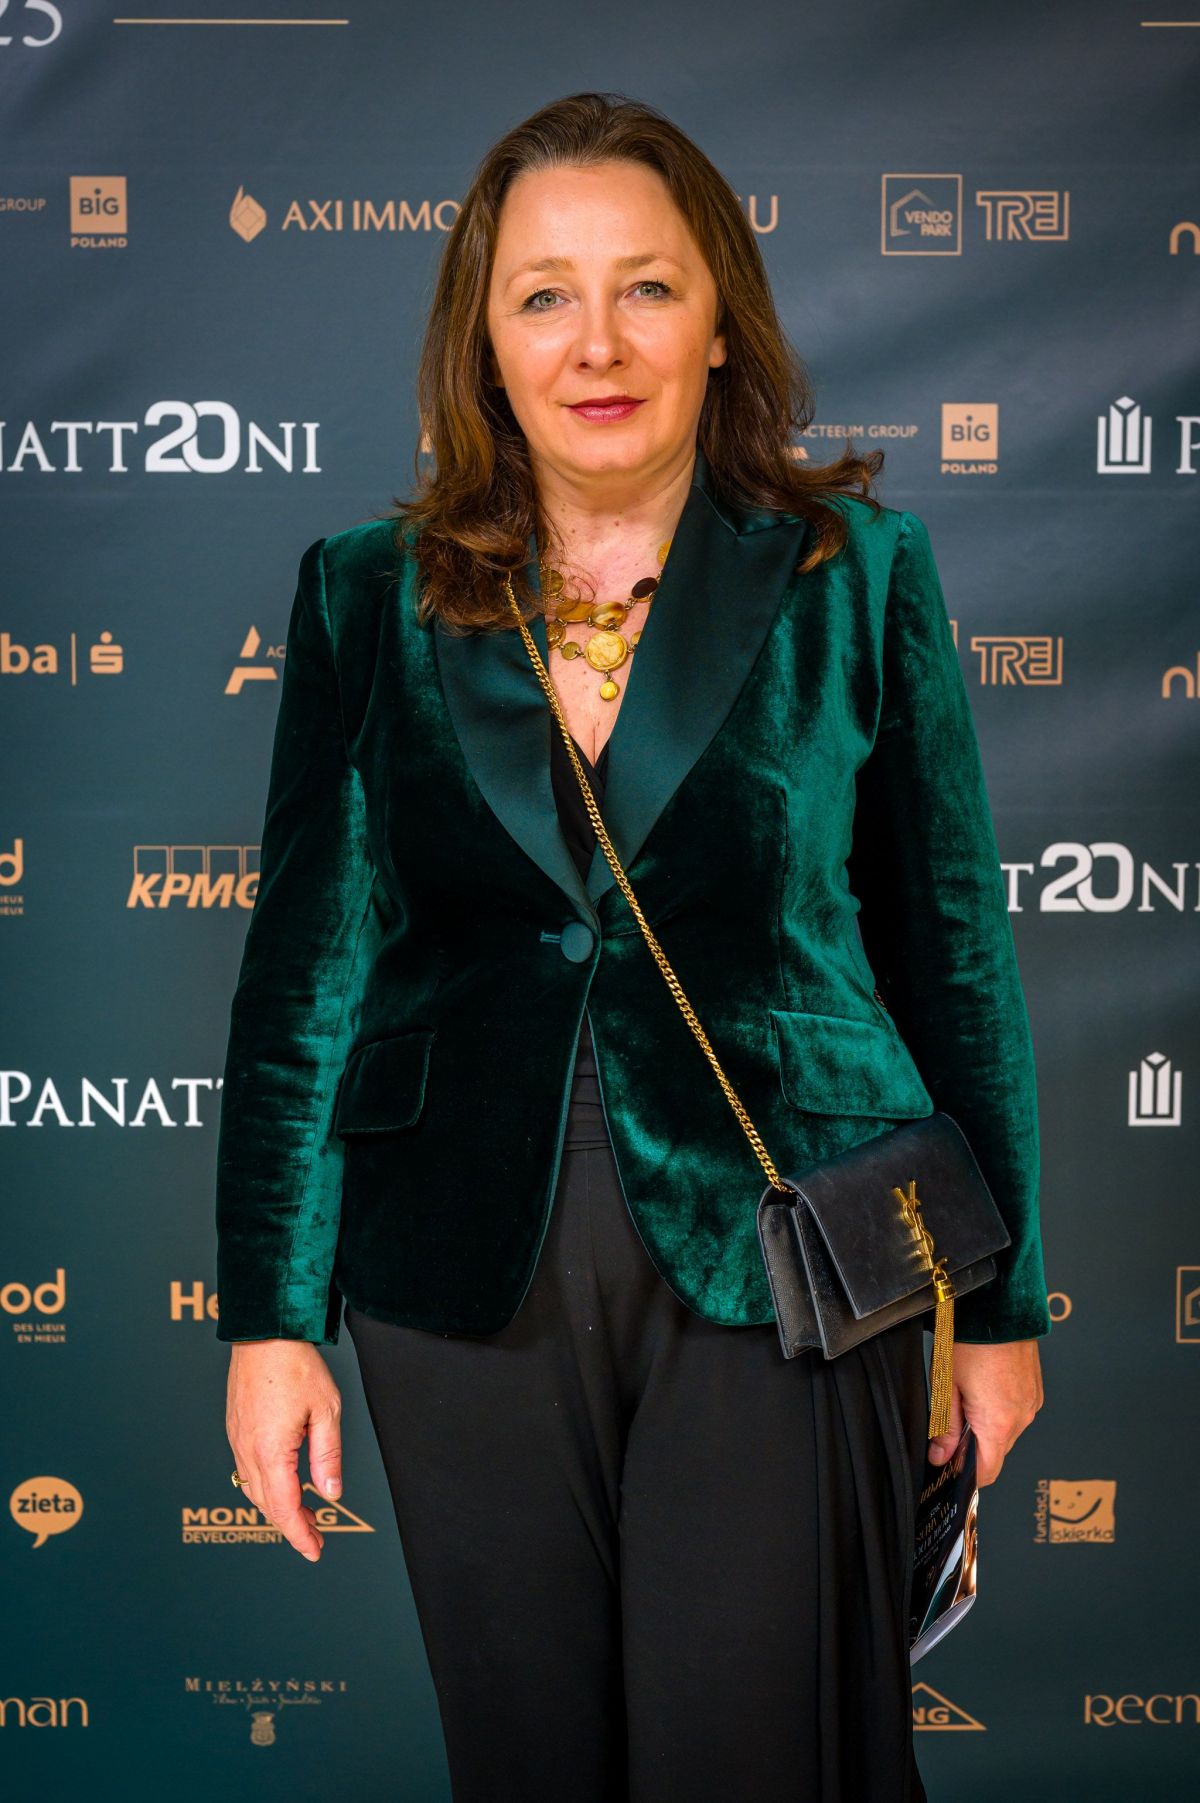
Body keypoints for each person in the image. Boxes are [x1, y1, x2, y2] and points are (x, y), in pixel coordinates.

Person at [214, 90, 1049, 1803]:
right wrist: (270, 1321)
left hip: (787, 1250)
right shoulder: (365, 592)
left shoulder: (853, 574)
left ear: (721, 317)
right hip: (459, 1270)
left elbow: (954, 956)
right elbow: (307, 977)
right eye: (544, 295)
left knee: (765, 1761)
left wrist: (997, 1306)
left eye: (646, 287)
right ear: (486, 340)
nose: (596, 341)